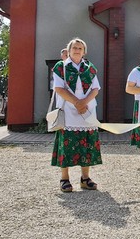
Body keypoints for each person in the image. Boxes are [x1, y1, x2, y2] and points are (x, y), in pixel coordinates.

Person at [51, 38, 101, 192]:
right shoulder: (61, 67)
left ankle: (85, 178)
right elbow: (59, 88)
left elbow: (95, 88)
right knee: (66, 143)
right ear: (69, 50)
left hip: (87, 110)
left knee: (86, 143)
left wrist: (84, 102)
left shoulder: (90, 68)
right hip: (68, 110)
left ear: (84, 51)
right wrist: (76, 102)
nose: (77, 50)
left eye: (80, 48)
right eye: (75, 48)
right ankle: (64, 179)